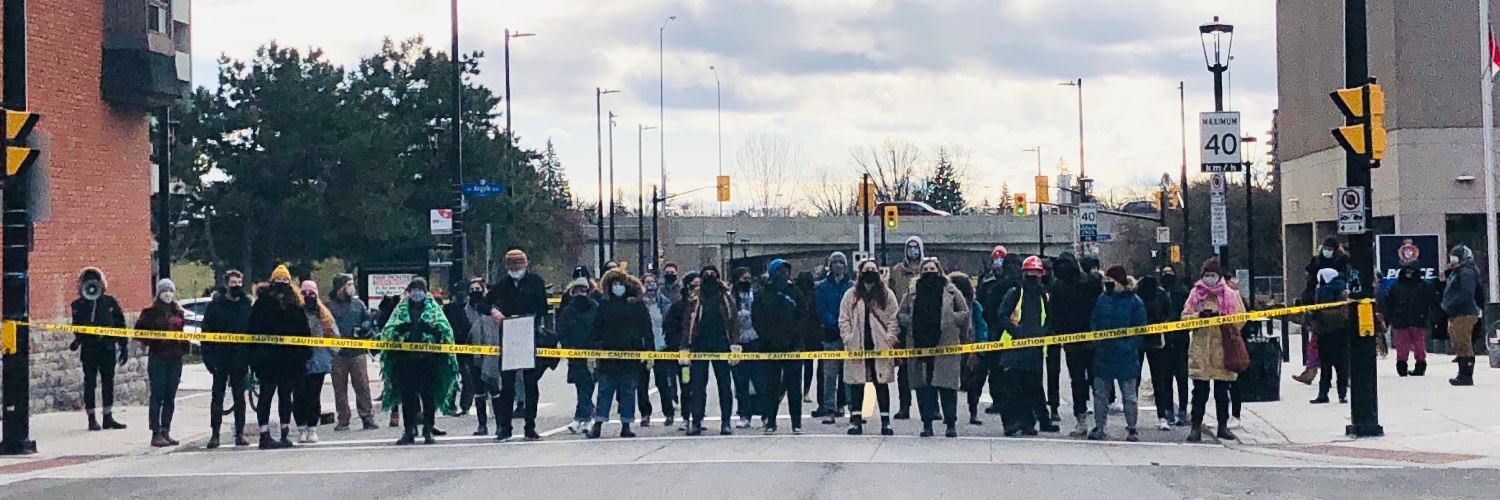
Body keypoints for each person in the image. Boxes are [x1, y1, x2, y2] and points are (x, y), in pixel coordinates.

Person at [380, 278, 460, 445]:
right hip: (405, 361)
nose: (417, 292)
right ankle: (409, 430)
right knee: (408, 397)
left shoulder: (434, 310)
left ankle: (428, 429)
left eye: (420, 289)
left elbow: (446, 331)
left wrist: (431, 331)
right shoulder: (400, 309)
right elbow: (388, 330)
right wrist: (400, 332)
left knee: (428, 396)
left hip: (428, 361)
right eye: (414, 288)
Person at [899, 258, 972, 438]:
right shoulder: (912, 291)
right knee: (924, 387)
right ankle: (927, 424)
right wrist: (911, 322)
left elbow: (965, 313)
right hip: (920, 345)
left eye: (933, 268)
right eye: (926, 269)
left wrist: (951, 320)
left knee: (947, 387)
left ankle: (950, 423)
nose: (929, 271)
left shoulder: (951, 290)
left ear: (939, 271)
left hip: (945, 344)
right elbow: (901, 314)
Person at [484, 249, 552, 440]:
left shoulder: (535, 282)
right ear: (507, 266)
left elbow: (544, 308)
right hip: (509, 335)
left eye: (520, 263)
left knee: (531, 384)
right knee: (507, 385)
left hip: (529, 333)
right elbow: (484, 303)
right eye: (512, 264)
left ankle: (530, 426)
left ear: (526, 264)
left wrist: (531, 319)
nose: (516, 267)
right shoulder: (502, 284)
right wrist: (494, 311)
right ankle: (505, 427)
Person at [248, 265, 312, 449]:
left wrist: (303, 355)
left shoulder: (296, 305)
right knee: (266, 396)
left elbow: (304, 332)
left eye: (285, 280)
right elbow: (252, 330)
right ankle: (264, 433)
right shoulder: (262, 303)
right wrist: (255, 357)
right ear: (272, 280)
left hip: (290, 360)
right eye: (279, 279)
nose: (282, 283)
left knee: (286, 397)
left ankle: (285, 433)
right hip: (267, 360)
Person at [1182, 258, 1243, 442]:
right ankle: (1196, 427)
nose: (1210, 278)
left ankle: (1222, 426)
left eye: (1213, 275)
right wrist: (1199, 316)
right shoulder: (1195, 294)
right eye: (1206, 275)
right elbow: (1184, 319)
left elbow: (1241, 319)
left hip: (1222, 350)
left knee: (1222, 392)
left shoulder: (1230, 295)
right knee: (1199, 392)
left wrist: (1224, 320)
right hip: (1200, 351)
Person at [588, 269, 654, 439]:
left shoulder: (636, 305)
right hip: (608, 355)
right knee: (605, 391)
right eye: (614, 284)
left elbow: (646, 328)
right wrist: (594, 352)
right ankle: (598, 424)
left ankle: (626, 424)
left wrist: (649, 352)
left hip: (632, 354)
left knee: (628, 391)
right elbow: (596, 329)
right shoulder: (604, 305)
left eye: (620, 284)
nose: (617, 287)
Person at [839, 258, 899, 436]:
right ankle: (856, 421)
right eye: (867, 269)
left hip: (879, 345)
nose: (870, 272)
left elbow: (893, 319)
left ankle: (885, 422)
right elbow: (844, 319)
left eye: (874, 269)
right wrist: (848, 338)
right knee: (857, 385)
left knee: (881, 384)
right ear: (860, 272)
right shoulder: (851, 295)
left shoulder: (887, 294)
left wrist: (889, 339)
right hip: (858, 345)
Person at [1089, 266, 1147, 442]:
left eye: (1111, 282)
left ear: (1120, 282)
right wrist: (1098, 341)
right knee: (1100, 395)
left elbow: (1140, 328)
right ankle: (1099, 427)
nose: (1107, 285)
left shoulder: (1135, 302)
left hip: (1125, 355)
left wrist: (1129, 346)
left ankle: (1132, 428)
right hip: (1104, 354)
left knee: (1129, 395)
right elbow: (1094, 321)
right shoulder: (1102, 299)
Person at [995, 256, 1051, 436]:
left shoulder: (1044, 295)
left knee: (1030, 387)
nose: (1032, 276)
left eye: (1036, 272)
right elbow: (1002, 316)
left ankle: (1028, 423)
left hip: (1034, 350)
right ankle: (1011, 423)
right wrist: (1016, 331)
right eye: (1029, 272)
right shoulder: (1015, 293)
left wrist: (1043, 334)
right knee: (1011, 388)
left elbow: (1050, 320)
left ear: (1041, 274)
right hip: (1013, 347)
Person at [69, 267, 129, 432]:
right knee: (90, 382)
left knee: (108, 381)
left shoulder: (110, 302)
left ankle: (108, 416)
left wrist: (123, 346)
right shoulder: (78, 305)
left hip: (107, 347)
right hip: (90, 348)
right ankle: (91, 418)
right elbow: (77, 327)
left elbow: (120, 324)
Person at [682, 265, 739, 436]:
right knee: (697, 386)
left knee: (724, 385)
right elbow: (687, 325)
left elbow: (734, 321)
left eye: (712, 274)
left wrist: (735, 345)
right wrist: (684, 347)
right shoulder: (695, 299)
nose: (709, 276)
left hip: (721, 344)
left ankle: (726, 421)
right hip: (700, 346)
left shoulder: (726, 298)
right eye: (706, 274)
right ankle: (696, 421)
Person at [1050, 252, 1102, 436]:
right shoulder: (1090, 282)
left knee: (1084, 382)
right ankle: (1095, 422)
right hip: (1085, 339)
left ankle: (1087, 422)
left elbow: (1054, 313)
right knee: (1091, 382)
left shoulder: (1059, 286)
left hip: (1078, 340)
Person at [136, 279, 190, 448]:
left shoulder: (178, 312)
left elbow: (182, 331)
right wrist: (154, 340)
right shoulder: (150, 313)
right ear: (159, 293)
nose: (168, 294)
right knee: (157, 394)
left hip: (175, 357)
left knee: (170, 396)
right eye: (164, 291)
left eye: (170, 290)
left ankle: (166, 429)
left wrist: (184, 345)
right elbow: (138, 332)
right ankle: (156, 432)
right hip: (158, 357)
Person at [201, 270, 251, 448]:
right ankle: (215, 434)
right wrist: (209, 359)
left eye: (239, 282)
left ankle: (239, 433)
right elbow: (205, 334)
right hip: (220, 358)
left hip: (240, 359)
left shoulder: (246, 305)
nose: (236, 286)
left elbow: (252, 332)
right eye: (233, 283)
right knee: (217, 397)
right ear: (226, 285)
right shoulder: (216, 306)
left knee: (240, 397)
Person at [756, 259, 805, 434]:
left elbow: (802, 317)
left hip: (792, 347)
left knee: (794, 386)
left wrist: (794, 338)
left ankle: (796, 422)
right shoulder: (764, 294)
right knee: (771, 386)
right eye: (780, 271)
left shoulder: (795, 293)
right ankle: (770, 421)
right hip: (770, 348)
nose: (783, 275)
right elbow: (758, 319)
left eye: (786, 271)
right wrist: (768, 338)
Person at [326, 273, 377, 432]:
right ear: (339, 287)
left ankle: (367, 417)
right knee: (339, 388)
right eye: (347, 284)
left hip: (357, 352)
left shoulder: (358, 304)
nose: (350, 287)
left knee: (362, 386)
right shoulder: (329, 306)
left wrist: (366, 325)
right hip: (338, 354)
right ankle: (343, 419)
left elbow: (368, 319)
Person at [977, 246, 1020, 415]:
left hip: (1013, 330)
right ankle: (998, 400)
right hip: (994, 330)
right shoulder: (987, 282)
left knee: (1011, 369)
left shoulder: (1017, 285)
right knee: (994, 368)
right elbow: (982, 305)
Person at [813, 252, 854, 423]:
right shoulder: (822, 287)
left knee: (850, 374)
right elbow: (821, 310)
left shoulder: (852, 286)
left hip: (849, 336)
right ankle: (829, 408)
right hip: (830, 336)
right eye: (834, 262)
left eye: (841, 262)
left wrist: (846, 326)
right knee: (829, 375)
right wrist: (835, 324)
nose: (838, 265)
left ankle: (852, 408)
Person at [294, 280, 337, 444]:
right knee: (298, 396)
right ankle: (301, 428)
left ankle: (312, 428)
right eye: (304, 293)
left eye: (311, 293)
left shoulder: (324, 314)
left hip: (318, 361)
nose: (308, 297)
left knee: (313, 396)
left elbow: (334, 335)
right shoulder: (295, 312)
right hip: (298, 360)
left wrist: (330, 354)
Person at [887, 236, 925, 419]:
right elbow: (889, 296)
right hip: (903, 323)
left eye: (916, 247)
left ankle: (930, 407)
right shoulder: (897, 271)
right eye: (910, 248)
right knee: (903, 369)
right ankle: (904, 406)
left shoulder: (927, 269)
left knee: (926, 367)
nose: (913, 251)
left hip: (924, 323)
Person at [558, 278, 599, 434]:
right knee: (581, 386)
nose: (581, 294)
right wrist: (568, 347)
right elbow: (562, 330)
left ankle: (581, 419)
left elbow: (598, 328)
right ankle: (585, 418)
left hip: (592, 354)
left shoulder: (595, 308)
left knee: (587, 385)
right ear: (572, 292)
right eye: (577, 291)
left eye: (584, 290)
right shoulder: (568, 311)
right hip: (574, 354)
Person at [1135, 275, 1175, 431]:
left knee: (1158, 380)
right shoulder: (1160, 294)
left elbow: (1170, 314)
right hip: (1147, 340)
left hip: (1153, 340)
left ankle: (1162, 415)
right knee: (1143, 379)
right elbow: (1170, 313)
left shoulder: (1143, 294)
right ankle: (1158, 417)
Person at [729, 266, 766, 429]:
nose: (747, 281)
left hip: (755, 340)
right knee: (740, 381)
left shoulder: (757, 295)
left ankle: (766, 414)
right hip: (737, 343)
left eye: (749, 278)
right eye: (743, 278)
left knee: (760, 380)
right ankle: (744, 414)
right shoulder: (730, 298)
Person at [1383, 264, 1435, 377]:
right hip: (1416, 319)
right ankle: (1418, 366)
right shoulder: (1423, 287)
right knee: (1417, 344)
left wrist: (1390, 318)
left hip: (1402, 320)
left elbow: (1389, 304)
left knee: (1405, 345)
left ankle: (1403, 366)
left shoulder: (1396, 287)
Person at [951, 271, 989, 426]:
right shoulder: (947, 304)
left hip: (971, 348)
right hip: (952, 347)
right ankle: (950, 414)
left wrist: (980, 348)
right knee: (950, 384)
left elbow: (982, 327)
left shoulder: (975, 306)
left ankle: (973, 412)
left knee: (974, 385)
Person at [662, 271, 699, 430]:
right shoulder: (678, 306)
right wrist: (679, 347)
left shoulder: (703, 305)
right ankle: (686, 417)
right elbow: (670, 328)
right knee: (685, 385)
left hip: (699, 352)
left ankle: (698, 416)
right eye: (694, 284)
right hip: (682, 353)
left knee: (698, 386)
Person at [1158, 266, 1192, 426]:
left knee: (1182, 376)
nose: (1167, 276)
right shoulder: (1158, 292)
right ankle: (1169, 410)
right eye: (1164, 273)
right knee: (1165, 377)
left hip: (1180, 339)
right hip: (1164, 340)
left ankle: (1183, 410)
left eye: (1169, 273)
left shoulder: (1182, 292)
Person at [1442, 244, 1481, 386]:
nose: (1452, 260)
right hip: (1456, 312)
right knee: (1458, 343)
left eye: (1455, 257)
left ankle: (1466, 375)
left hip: (1464, 312)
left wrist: (1451, 303)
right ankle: (1462, 372)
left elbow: (1466, 292)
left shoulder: (1466, 272)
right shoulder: (1457, 271)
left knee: (1464, 343)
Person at [1310, 269, 1350, 404]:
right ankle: (1337, 394)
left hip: (1331, 332)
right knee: (1336, 366)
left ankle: (1330, 394)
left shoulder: (1338, 291)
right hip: (1333, 333)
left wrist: (1319, 314)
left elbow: (1342, 312)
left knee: (1334, 366)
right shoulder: (1333, 289)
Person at [637, 272, 668, 428]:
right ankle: (645, 414)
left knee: (663, 382)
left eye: (652, 282)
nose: (650, 285)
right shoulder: (638, 304)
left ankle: (668, 412)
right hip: (643, 349)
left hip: (661, 347)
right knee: (641, 384)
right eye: (646, 282)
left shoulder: (664, 303)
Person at [442, 283, 475, 419]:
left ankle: (465, 405)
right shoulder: (448, 309)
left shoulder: (472, 308)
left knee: (468, 378)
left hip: (469, 349)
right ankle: (450, 404)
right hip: (451, 348)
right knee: (451, 378)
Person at [1302, 237, 1350, 304]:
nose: (1327, 251)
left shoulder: (1341, 260)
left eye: (1330, 249)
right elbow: (1310, 274)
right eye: (1325, 248)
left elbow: (1345, 275)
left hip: (1336, 288)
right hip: (1318, 287)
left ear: (1334, 250)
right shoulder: (1317, 260)